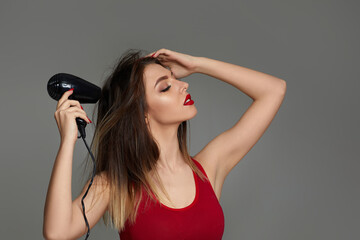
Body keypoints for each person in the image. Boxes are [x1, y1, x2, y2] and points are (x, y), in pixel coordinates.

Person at [43, 48, 286, 240]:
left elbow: (274, 90)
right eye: (166, 86)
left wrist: (197, 64)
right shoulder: (115, 184)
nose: (184, 85)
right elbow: (58, 232)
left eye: (175, 79)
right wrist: (67, 140)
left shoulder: (208, 169)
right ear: (142, 115)